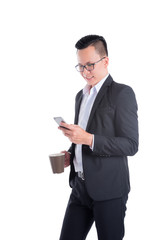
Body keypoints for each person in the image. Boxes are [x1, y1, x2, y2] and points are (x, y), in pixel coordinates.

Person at [58, 35, 139, 240]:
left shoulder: (122, 93)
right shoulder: (80, 96)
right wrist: (70, 154)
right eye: (80, 66)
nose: (85, 72)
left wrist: (89, 139)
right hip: (80, 187)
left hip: (109, 190)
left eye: (90, 65)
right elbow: (82, 135)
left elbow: (131, 145)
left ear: (106, 61)